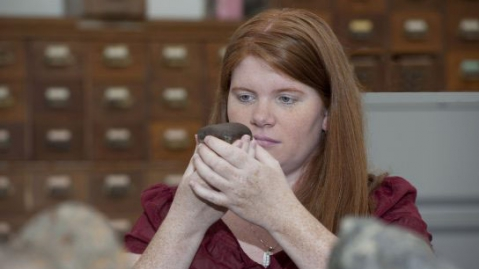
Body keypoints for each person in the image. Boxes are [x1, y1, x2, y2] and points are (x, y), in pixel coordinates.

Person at [124, 8, 432, 269]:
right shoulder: (169, 207)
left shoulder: (383, 208)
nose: (260, 116)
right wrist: (184, 226)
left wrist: (281, 215)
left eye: (286, 99)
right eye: (245, 96)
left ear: (327, 113)